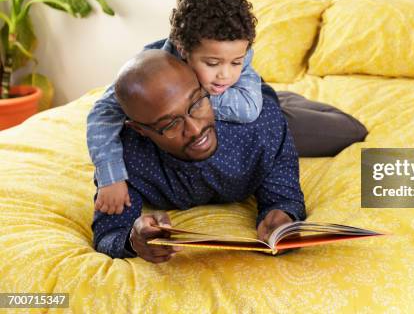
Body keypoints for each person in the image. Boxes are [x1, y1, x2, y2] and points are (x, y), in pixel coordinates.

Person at [92, 50, 306, 261]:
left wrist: (282, 213)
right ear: (140, 130)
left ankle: (291, 101)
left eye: (197, 104)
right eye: (170, 124)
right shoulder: (122, 160)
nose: (195, 130)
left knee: (336, 131)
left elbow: (284, 194)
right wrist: (132, 240)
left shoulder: (263, 125)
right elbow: (108, 235)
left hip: (262, 101)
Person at [87, 0, 262, 215]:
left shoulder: (237, 52)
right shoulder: (150, 77)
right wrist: (110, 176)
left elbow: (249, 108)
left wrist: (197, 99)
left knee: (305, 117)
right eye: (212, 63)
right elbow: (102, 113)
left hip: (264, 94)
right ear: (182, 50)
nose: (226, 75)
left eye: (237, 62)